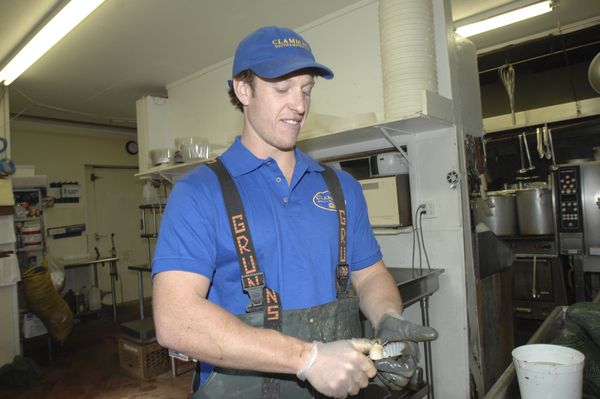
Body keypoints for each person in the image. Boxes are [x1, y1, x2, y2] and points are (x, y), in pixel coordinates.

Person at [152, 26, 438, 399]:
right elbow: (176, 319)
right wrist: (308, 358)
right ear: (243, 89)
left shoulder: (341, 188)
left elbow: (370, 276)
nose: (300, 105)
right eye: (282, 89)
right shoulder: (199, 192)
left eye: (306, 90)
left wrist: (388, 318)